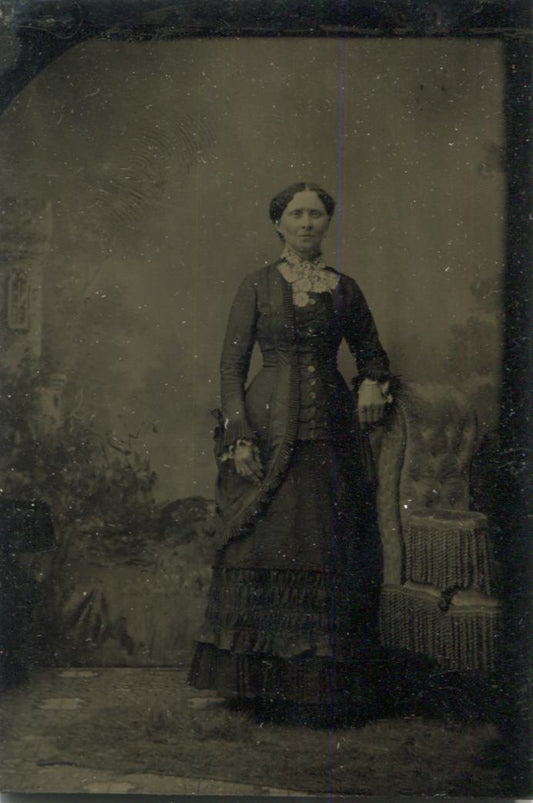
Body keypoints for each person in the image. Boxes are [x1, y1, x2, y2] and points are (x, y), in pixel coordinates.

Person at [188, 182, 392, 726]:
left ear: (327, 223)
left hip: (328, 433)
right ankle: (256, 686)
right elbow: (231, 367)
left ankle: (317, 688)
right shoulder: (257, 285)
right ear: (278, 223)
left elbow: (372, 353)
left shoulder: (344, 289)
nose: (306, 223)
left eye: (316, 214)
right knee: (262, 546)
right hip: (265, 428)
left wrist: (371, 383)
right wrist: (238, 436)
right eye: (296, 214)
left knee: (324, 545)